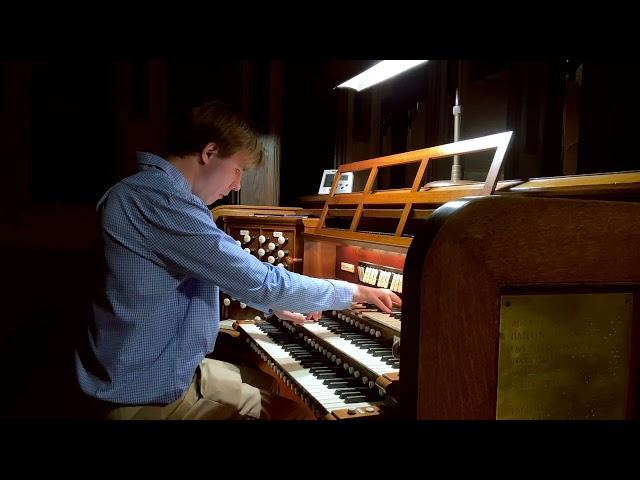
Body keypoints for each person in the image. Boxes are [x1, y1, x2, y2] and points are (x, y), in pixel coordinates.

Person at [75, 100, 401, 420]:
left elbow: (216, 275)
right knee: (298, 414)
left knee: (268, 382)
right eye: (238, 170)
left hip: (147, 366)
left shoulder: (147, 192)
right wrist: (350, 292)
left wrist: (273, 306)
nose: (237, 185)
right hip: (145, 390)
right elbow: (262, 282)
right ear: (209, 153)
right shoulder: (161, 201)